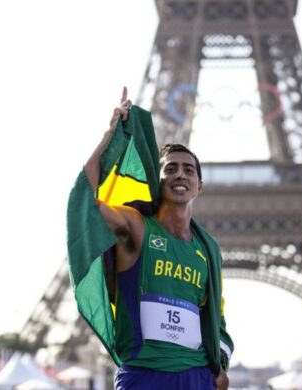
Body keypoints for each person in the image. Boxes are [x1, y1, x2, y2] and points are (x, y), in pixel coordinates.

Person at [70, 87, 233, 389]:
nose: (180, 175)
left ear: (199, 185)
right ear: (157, 182)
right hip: (145, 373)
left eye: (188, 170)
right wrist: (110, 137)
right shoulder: (136, 227)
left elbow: (215, 316)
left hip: (196, 374)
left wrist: (219, 367)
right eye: (170, 169)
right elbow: (89, 204)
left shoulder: (207, 249)